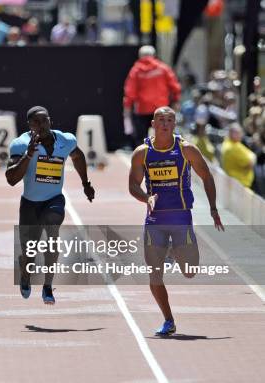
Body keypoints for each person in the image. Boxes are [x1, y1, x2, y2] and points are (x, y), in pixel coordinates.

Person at [128, 106, 224, 336]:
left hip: (181, 217)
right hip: (155, 220)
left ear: (174, 124)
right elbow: (132, 185)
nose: (164, 124)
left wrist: (212, 208)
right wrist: (146, 198)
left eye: (169, 120)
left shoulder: (186, 150)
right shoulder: (142, 152)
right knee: (154, 275)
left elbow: (206, 175)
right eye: (160, 120)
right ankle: (168, 320)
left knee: (189, 272)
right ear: (153, 123)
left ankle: (173, 252)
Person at [6, 106, 95, 304]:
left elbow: (78, 157)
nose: (42, 125)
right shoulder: (20, 144)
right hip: (29, 204)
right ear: (29, 125)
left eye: (45, 120)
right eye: (36, 122)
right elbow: (11, 179)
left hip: (54, 199)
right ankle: (25, 272)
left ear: (50, 121)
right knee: (30, 251)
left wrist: (86, 184)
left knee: (52, 233)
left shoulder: (65, 140)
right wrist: (28, 155)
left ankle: (48, 286)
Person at [123, 46, 181, 147]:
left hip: (142, 110)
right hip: (161, 109)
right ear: (154, 55)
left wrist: (127, 107)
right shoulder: (163, 68)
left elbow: (130, 91)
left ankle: (143, 159)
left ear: (140, 56)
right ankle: (166, 158)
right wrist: (176, 100)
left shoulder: (136, 71)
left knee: (142, 140)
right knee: (165, 135)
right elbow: (175, 86)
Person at [221, 123, 256, 188]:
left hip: (234, 183)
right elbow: (250, 164)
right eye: (238, 133)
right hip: (240, 184)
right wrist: (253, 157)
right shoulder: (233, 147)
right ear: (231, 133)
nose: (241, 135)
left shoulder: (229, 143)